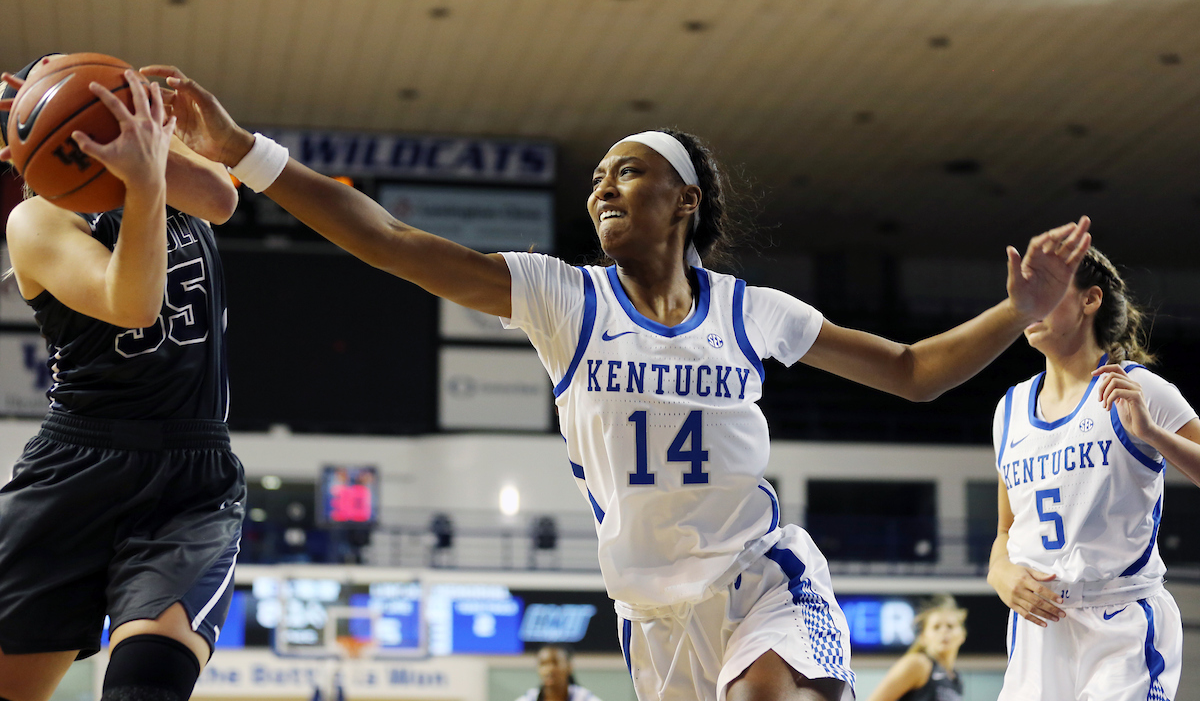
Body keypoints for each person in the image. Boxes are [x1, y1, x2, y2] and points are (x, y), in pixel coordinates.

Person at [143, 63, 1091, 701]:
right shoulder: (565, 299)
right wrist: (242, 152)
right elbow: (389, 243)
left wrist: (1019, 310)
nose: (602, 186)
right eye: (597, 175)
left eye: (628, 172)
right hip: (649, 611)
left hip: (761, 572)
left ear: (685, 201)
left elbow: (916, 374)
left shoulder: (749, 311)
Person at [0, 57, 244, 701]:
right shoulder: (35, 222)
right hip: (78, 466)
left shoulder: (168, 182)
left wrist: (151, 143)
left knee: (148, 684)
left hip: (187, 478)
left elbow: (222, 197)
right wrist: (141, 182)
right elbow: (131, 303)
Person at [986, 246, 1200, 700]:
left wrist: (1152, 433)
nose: (1029, 307)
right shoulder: (1009, 409)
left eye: (1044, 292)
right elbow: (1006, 530)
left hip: (1120, 620)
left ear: (1090, 299)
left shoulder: (1139, 387)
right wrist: (1000, 573)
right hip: (1038, 629)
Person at [866, 595, 965, 701]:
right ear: (923, 637)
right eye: (936, 627)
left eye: (950, 626)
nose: (943, 631)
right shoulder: (919, 664)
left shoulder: (955, 679)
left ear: (962, 635)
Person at [514, 646, 603, 701]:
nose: (549, 670)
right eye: (543, 664)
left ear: (569, 667)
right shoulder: (530, 698)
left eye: (555, 663)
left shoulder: (584, 698)